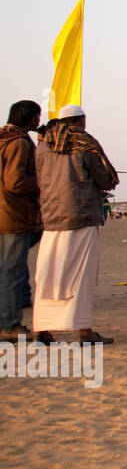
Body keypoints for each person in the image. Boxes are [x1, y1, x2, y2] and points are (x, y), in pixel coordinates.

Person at [32, 105, 118, 344]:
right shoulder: (85, 143)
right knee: (81, 275)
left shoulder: (43, 146)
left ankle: (41, 329)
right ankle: (83, 331)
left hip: (50, 216)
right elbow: (106, 178)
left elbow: (38, 179)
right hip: (81, 216)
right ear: (82, 121)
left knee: (48, 274)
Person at [0, 100, 42, 341]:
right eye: (37, 117)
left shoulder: (4, 139)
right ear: (30, 118)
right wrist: (42, 184)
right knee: (12, 272)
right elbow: (15, 181)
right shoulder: (18, 143)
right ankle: (10, 325)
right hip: (13, 215)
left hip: (6, 213)